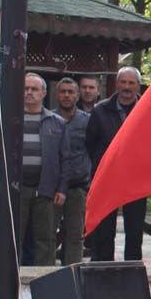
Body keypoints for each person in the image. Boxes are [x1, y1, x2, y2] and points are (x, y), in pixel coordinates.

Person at [0, 73, 70, 265]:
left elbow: (65, 159)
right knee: (12, 238)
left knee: (45, 239)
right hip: (16, 189)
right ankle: (12, 275)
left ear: (44, 93)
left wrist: (62, 188)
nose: (29, 92)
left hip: (46, 190)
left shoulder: (56, 122)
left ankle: (45, 276)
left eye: (34, 89)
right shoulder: (8, 120)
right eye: (25, 88)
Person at [86, 67, 146, 261]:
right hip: (107, 179)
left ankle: (132, 269)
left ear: (138, 86)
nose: (127, 87)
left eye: (131, 83)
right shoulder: (100, 110)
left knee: (135, 230)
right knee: (104, 231)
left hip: (136, 180)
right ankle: (104, 268)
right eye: (123, 82)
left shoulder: (147, 109)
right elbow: (90, 143)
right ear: (117, 84)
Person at [53, 78, 91, 265]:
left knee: (75, 235)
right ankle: (45, 273)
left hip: (77, 186)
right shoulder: (49, 119)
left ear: (77, 95)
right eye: (63, 92)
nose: (66, 95)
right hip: (52, 187)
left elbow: (93, 149)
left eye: (70, 92)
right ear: (56, 95)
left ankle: (73, 272)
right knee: (48, 234)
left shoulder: (87, 121)